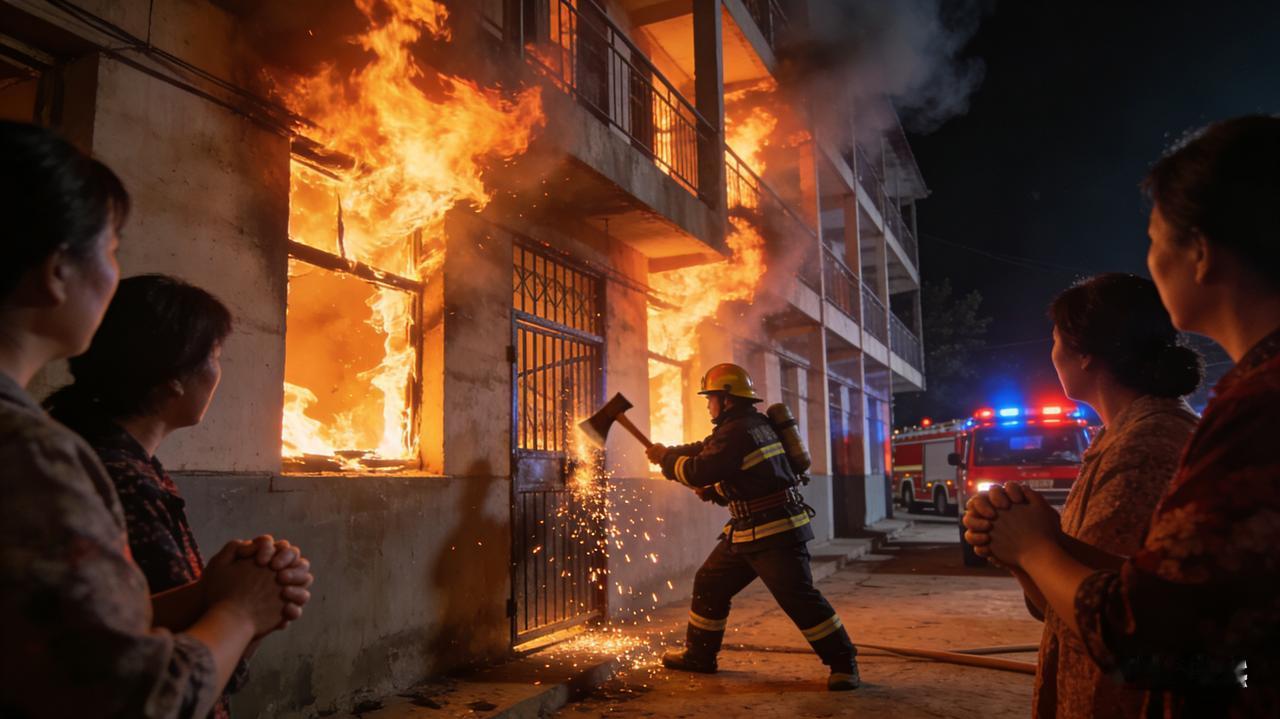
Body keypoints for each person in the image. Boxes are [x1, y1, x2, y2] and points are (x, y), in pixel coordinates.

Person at [963, 115, 1280, 717]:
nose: (1151, 260)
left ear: (1203, 252)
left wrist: (1033, 549)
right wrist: (1029, 546)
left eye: (1156, 237)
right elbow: (1161, 587)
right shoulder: (1234, 401)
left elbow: (1146, 631)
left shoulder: (1246, 412)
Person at [0, 120, 314, 718]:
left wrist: (216, 597)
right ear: (57, 270)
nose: (114, 275)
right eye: (112, 249)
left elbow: (77, 631)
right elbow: (134, 696)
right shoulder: (38, 456)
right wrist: (240, 611)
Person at [44, 274, 265, 719]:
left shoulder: (119, 461)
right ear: (174, 378)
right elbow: (162, 657)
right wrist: (243, 606)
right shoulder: (120, 479)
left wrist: (246, 601)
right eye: (215, 356)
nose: (219, 372)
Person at [1013, 274, 1201, 718]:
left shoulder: (1150, 442)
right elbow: (1062, 607)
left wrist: (1031, 545)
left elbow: (1110, 616)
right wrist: (1015, 552)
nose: (1051, 353)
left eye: (1055, 339)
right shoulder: (1116, 437)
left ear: (1084, 353)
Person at [645, 363, 860, 691]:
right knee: (710, 582)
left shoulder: (737, 431)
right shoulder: (751, 424)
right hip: (748, 530)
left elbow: (701, 469)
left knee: (798, 598)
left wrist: (667, 462)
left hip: (774, 533)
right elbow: (720, 457)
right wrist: (670, 452)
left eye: (711, 398)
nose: (708, 405)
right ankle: (699, 656)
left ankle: (844, 664)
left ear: (727, 398)